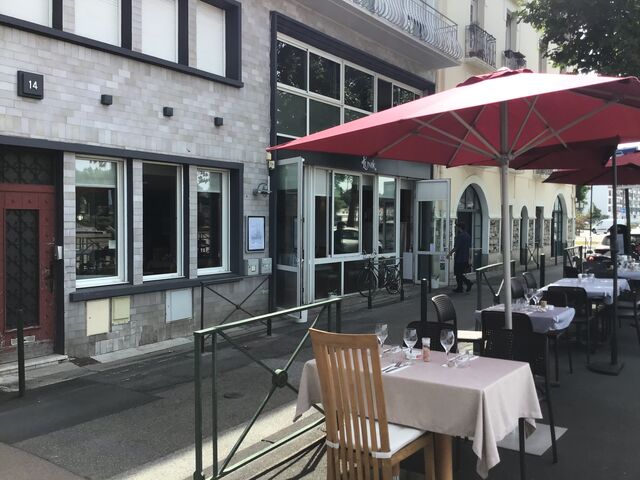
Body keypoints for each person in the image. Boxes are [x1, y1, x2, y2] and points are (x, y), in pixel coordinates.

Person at [447, 222, 473, 293]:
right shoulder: (468, 235)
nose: (456, 228)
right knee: (460, 273)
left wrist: (450, 253)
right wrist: (470, 258)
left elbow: (456, 247)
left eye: (456, 227)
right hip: (465, 257)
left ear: (459, 228)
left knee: (458, 273)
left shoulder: (460, 236)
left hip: (459, 257)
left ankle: (465, 284)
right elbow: (470, 248)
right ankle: (462, 286)